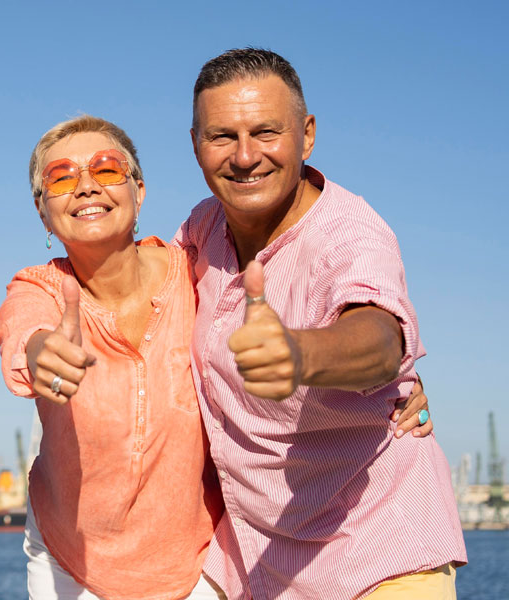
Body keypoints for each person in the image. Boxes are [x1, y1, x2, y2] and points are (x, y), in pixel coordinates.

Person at [0, 115, 434, 600]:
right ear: (42, 211)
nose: (84, 187)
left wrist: (393, 373)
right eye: (60, 177)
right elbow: (24, 334)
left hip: (201, 566)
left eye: (105, 171)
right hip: (70, 561)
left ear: (138, 191)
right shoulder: (38, 288)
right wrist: (44, 355)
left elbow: (324, 307)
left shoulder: (197, 267)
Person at [173, 48, 466, 599]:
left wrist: (298, 354)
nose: (244, 156)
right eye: (221, 136)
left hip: (376, 553)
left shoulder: (350, 234)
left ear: (307, 135)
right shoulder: (201, 227)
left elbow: (379, 337)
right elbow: (140, 286)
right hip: (250, 559)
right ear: (194, 145)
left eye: (266, 132)